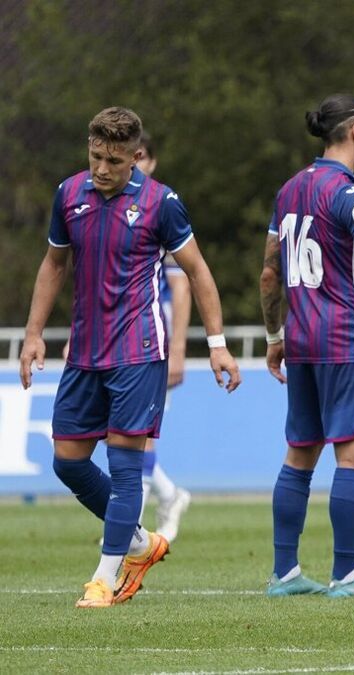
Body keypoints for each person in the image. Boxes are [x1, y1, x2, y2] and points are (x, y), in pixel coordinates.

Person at [19, 107, 240, 608]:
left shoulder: (163, 204)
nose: (101, 169)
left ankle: (106, 576)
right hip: (85, 352)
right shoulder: (69, 194)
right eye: (95, 157)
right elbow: (54, 265)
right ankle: (139, 542)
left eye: (114, 161)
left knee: (124, 468)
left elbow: (199, 272)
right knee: (67, 461)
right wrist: (34, 334)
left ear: (136, 157)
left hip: (139, 352)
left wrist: (218, 343)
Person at [259, 94, 354, 599]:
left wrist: (275, 336)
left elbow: (271, 273)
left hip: (300, 339)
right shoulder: (348, 193)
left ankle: (285, 573)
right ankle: (347, 575)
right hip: (346, 337)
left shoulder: (290, 190)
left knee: (299, 453)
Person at [133, 133, 192, 543]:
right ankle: (169, 496)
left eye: (140, 158)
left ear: (151, 162)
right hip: (120, 336)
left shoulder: (159, 205)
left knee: (137, 432)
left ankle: (128, 527)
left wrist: (178, 350)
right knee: (121, 432)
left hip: (154, 336)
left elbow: (183, 284)